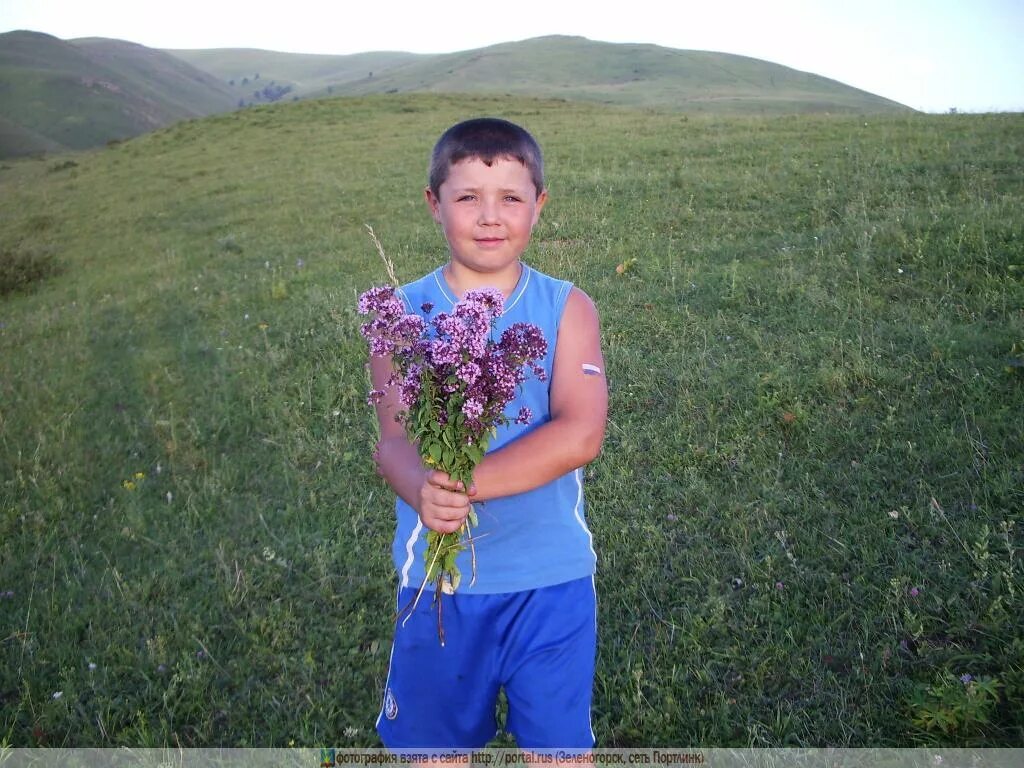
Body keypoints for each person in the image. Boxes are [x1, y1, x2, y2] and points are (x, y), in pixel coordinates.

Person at [369, 117, 608, 751]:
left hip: (550, 580)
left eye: (510, 197)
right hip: (436, 584)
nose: (489, 216)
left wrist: (466, 485)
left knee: (558, 754)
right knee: (435, 753)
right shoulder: (399, 314)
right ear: (433, 204)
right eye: (467, 196)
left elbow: (581, 432)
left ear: (540, 205)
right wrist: (423, 489)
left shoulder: (565, 307)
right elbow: (393, 441)